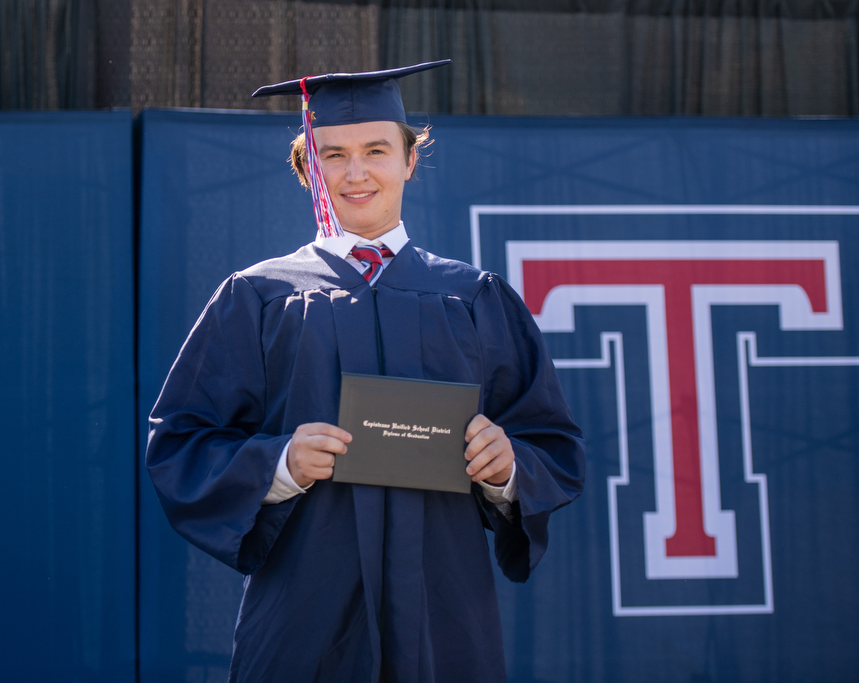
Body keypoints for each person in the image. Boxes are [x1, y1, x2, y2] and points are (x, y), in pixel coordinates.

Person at [145, 60, 585, 683]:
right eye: (333, 155)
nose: (356, 173)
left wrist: (507, 467)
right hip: (305, 614)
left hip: (443, 611)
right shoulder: (258, 297)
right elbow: (181, 444)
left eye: (377, 150)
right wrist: (278, 465)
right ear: (308, 170)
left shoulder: (474, 298)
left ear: (410, 158)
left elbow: (555, 445)